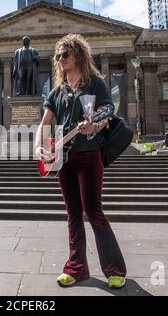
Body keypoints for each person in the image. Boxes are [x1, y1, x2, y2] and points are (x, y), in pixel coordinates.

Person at [35, 34, 127, 289]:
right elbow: (44, 125)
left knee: (94, 212)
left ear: (78, 55)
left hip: (89, 156)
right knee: (73, 214)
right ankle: (76, 268)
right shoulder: (56, 92)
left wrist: (94, 125)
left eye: (65, 54)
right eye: (58, 56)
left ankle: (115, 270)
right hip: (64, 160)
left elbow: (107, 111)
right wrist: (39, 147)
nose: (60, 59)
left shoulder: (94, 84)